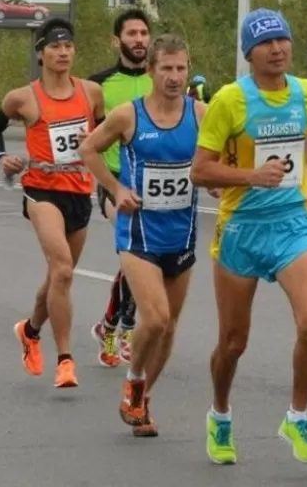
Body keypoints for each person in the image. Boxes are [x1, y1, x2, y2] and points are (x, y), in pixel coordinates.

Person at [190, 8, 307, 466]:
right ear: (249, 53)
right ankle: (220, 414)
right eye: (266, 43)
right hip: (241, 229)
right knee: (233, 343)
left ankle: (297, 416)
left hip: (293, 223)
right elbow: (200, 171)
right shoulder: (230, 101)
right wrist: (251, 175)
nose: (277, 49)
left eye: (282, 40)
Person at [78, 34, 211, 437]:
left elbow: (218, 162)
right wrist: (116, 189)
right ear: (151, 71)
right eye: (166, 68)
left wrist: (219, 182)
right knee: (156, 317)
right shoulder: (128, 116)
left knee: (169, 328)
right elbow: (88, 149)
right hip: (138, 236)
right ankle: (134, 378)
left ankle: (141, 398)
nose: (174, 77)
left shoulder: (202, 113)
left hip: (182, 235)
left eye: (181, 68)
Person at [0, 17, 105, 390]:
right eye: (55, 46)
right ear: (40, 54)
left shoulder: (90, 93)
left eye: (68, 45)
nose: (63, 52)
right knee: (64, 270)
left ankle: (30, 330)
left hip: (79, 191)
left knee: (57, 277)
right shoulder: (23, 98)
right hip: (41, 190)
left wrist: (96, 140)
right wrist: (2, 157)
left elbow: (105, 135)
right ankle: (66, 360)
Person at [87, 8, 154, 369]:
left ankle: (109, 324)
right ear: (118, 40)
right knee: (136, 253)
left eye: (144, 33)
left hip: (156, 183)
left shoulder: (161, 79)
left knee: (146, 258)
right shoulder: (99, 85)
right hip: (115, 181)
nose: (139, 40)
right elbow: (87, 138)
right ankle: (125, 328)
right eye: (132, 34)